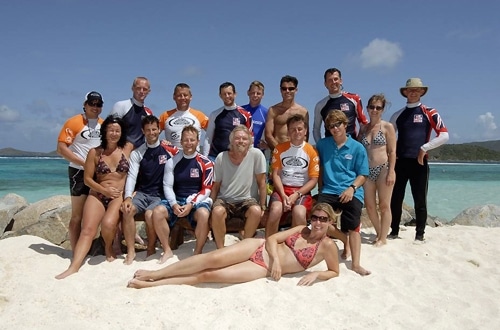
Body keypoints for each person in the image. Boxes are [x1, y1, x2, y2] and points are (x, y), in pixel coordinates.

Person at [127, 203, 340, 288]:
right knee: (210, 259)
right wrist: (275, 259)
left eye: (323, 219)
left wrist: (317, 275)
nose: (317, 222)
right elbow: (273, 238)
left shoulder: (327, 246)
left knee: (209, 275)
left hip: (261, 268)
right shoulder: (301, 228)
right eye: (315, 217)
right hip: (259, 247)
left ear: (330, 222)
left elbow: (334, 271)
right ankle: (158, 273)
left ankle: (153, 284)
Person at [56, 115, 130, 279]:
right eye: (110, 130)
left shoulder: (127, 149)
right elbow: (87, 179)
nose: (114, 133)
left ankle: (108, 248)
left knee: (109, 224)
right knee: (87, 229)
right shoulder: (95, 152)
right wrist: (104, 191)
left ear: (122, 132)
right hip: (97, 193)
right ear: (104, 132)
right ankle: (74, 266)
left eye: (117, 130)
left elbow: (150, 140)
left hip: (117, 195)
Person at [389, 78, 449, 241]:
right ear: (405, 92)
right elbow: (389, 138)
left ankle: (420, 234)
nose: (413, 92)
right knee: (395, 198)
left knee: (420, 199)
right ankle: (394, 231)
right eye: (410, 90)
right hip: (400, 163)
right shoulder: (397, 115)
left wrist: (424, 148)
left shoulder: (430, 112)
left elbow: (444, 135)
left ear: (422, 92)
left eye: (417, 89)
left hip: (419, 163)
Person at [316, 110, 371, 276]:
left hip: (351, 190)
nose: (335, 128)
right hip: (329, 190)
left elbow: (363, 175)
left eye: (338, 124)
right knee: (319, 219)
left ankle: (355, 264)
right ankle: (342, 239)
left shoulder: (357, 147)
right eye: (331, 126)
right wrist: (319, 189)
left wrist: (352, 189)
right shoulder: (323, 145)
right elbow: (318, 169)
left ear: (345, 125)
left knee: (353, 225)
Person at [152, 125, 214, 261]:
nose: (189, 143)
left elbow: (207, 189)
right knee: (157, 212)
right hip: (177, 199)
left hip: (196, 200)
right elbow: (167, 186)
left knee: (204, 214)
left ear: (198, 141)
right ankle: (167, 250)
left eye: (192, 140)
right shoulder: (172, 161)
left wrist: (191, 204)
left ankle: (197, 251)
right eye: (186, 140)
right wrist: (174, 204)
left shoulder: (207, 163)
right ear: (181, 142)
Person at [121, 115, 177, 265]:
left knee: (149, 214)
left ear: (159, 130)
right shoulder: (137, 153)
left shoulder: (169, 151)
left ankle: (151, 247)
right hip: (142, 193)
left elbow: (186, 158)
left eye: (154, 129)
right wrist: (128, 197)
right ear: (143, 131)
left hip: (160, 195)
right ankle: (131, 251)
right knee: (127, 210)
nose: (151, 133)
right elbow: (132, 176)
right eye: (148, 130)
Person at [56, 91, 104, 251]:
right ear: (85, 105)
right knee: (77, 215)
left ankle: (91, 247)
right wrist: (84, 163)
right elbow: (61, 148)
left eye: (99, 104)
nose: (95, 107)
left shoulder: (104, 125)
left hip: (98, 174)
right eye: (92, 104)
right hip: (78, 172)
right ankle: (75, 250)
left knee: (95, 213)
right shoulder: (74, 122)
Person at [210, 125, 267, 249]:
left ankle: (245, 245)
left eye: (244, 138)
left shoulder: (256, 155)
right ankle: (220, 248)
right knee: (217, 211)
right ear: (231, 141)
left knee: (255, 211)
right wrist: (210, 205)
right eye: (237, 138)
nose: (241, 141)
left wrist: (263, 207)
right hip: (225, 199)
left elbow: (262, 183)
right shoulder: (221, 157)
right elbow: (216, 186)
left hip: (247, 200)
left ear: (250, 141)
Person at [266, 114, 319, 238]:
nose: (296, 132)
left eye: (300, 129)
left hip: (301, 190)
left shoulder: (312, 151)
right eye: (293, 129)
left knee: (299, 213)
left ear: (305, 131)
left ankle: (297, 242)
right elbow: (276, 175)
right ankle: (269, 241)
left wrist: (297, 194)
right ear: (288, 131)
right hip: (282, 188)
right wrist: (283, 195)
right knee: (275, 211)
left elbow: (313, 180)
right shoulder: (279, 149)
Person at [358, 94, 396, 246]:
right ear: (367, 108)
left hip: (384, 169)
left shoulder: (387, 127)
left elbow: (392, 151)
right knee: (370, 205)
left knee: (385, 205)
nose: (374, 110)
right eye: (372, 107)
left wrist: (392, 171)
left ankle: (383, 238)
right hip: (367, 171)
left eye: (378, 107)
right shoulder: (363, 128)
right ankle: (380, 232)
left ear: (382, 109)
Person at [313, 68, 368, 142]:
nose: (333, 82)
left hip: (351, 146)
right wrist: (321, 146)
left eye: (336, 79)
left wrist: (357, 143)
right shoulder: (320, 105)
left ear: (341, 81)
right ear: (325, 84)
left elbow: (363, 123)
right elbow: (316, 129)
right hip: (330, 148)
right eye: (330, 80)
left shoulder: (355, 99)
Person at [205, 82, 253, 161]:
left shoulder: (246, 115)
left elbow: (250, 138)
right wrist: (205, 158)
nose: (227, 96)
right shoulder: (214, 114)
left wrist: (250, 158)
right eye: (224, 94)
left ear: (235, 94)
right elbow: (208, 138)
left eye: (229, 93)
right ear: (220, 96)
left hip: (237, 158)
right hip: (215, 157)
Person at [158, 83, 210, 155]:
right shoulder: (164, 116)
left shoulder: (199, 115)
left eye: (185, 95)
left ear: (190, 97)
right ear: (174, 97)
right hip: (171, 157)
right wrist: (161, 142)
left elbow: (214, 133)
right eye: (179, 95)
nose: (182, 98)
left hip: (193, 158)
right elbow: (151, 134)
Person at [264, 75, 309, 151]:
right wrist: (280, 151)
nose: (287, 91)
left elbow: (305, 135)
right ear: (280, 90)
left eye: (291, 89)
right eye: (284, 88)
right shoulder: (273, 110)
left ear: (296, 90)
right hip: (278, 152)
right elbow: (268, 135)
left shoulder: (303, 112)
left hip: (297, 154)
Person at [110, 76, 153, 153]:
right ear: (132, 88)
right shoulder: (121, 106)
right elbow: (109, 130)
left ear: (149, 91)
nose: (141, 91)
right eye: (138, 88)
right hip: (120, 152)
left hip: (139, 155)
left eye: (145, 89)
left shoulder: (148, 113)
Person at [241, 81, 269, 151]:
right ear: (248, 93)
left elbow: (272, 133)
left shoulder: (266, 113)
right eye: (253, 93)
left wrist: (267, 145)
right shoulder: (240, 110)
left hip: (258, 153)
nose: (255, 95)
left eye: (258, 93)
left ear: (263, 95)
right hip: (241, 152)